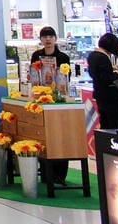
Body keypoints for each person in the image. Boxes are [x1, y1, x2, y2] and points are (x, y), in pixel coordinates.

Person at [28, 26, 71, 182]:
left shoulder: (63, 57)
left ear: (55, 38)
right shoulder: (36, 56)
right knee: (42, 136)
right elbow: (33, 76)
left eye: (50, 36)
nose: (47, 39)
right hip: (40, 100)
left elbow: (66, 79)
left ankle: (59, 174)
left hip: (58, 102)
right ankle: (45, 171)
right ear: (40, 39)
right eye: (45, 36)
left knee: (59, 136)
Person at [88, 32, 118, 129]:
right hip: (109, 97)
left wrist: (111, 68)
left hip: (99, 94)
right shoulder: (103, 57)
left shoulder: (93, 55)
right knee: (114, 124)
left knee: (105, 123)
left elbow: (97, 72)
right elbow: (106, 78)